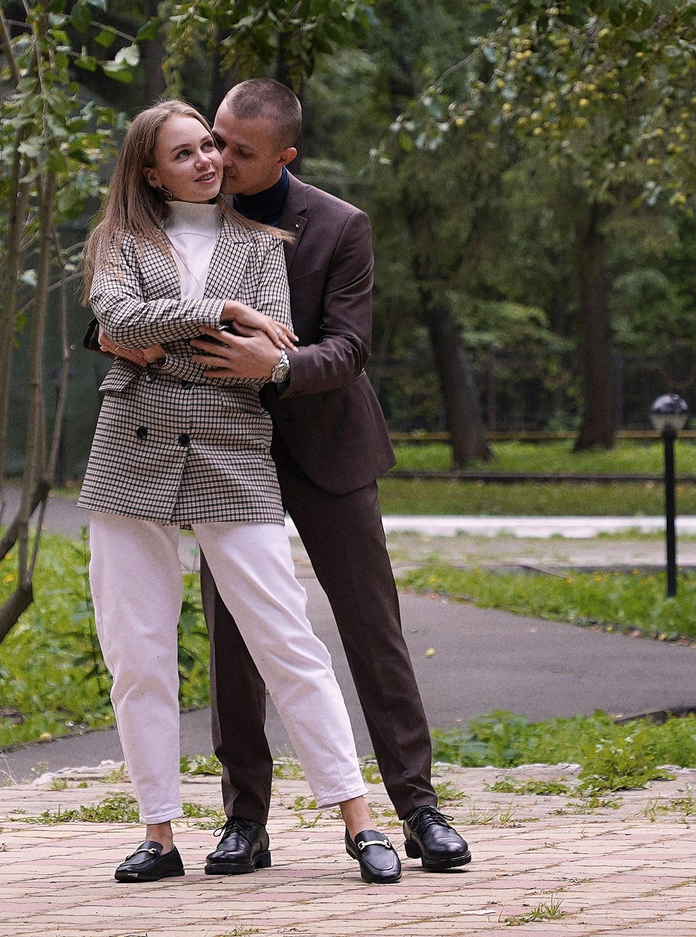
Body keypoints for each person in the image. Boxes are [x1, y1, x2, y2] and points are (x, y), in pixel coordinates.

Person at [104, 79, 470, 876]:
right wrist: (111, 336)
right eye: (212, 138)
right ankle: (245, 820)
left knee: (371, 627)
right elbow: (118, 303)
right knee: (234, 640)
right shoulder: (175, 210)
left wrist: (275, 366)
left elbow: (349, 348)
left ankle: (418, 807)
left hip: (324, 444)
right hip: (223, 450)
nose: (218, 157)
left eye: (238, 150)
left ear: (284, 156)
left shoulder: (338, 226)